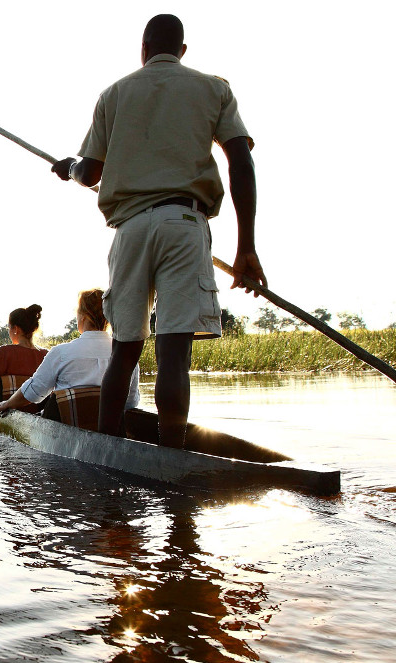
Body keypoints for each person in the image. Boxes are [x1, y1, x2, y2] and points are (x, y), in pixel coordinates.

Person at [50, 14, 267, 449]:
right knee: (173, 354)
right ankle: (171, 456)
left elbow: (89, 171)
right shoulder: (214, 88)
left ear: (143, 50)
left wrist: (68, 168)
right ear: (182, 50)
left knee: (125, 352)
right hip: (185, 223)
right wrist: (246, 248)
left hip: (130, 229)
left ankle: (105, 451)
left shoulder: (114, 94)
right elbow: (241, 164)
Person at [0, 289, 139, 416]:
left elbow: (34, 392)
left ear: (83, 317)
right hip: (110, 430)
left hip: (68, 431)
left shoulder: (61, 353)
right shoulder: (125, 355)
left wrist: (7, 403)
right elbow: (131, 402)